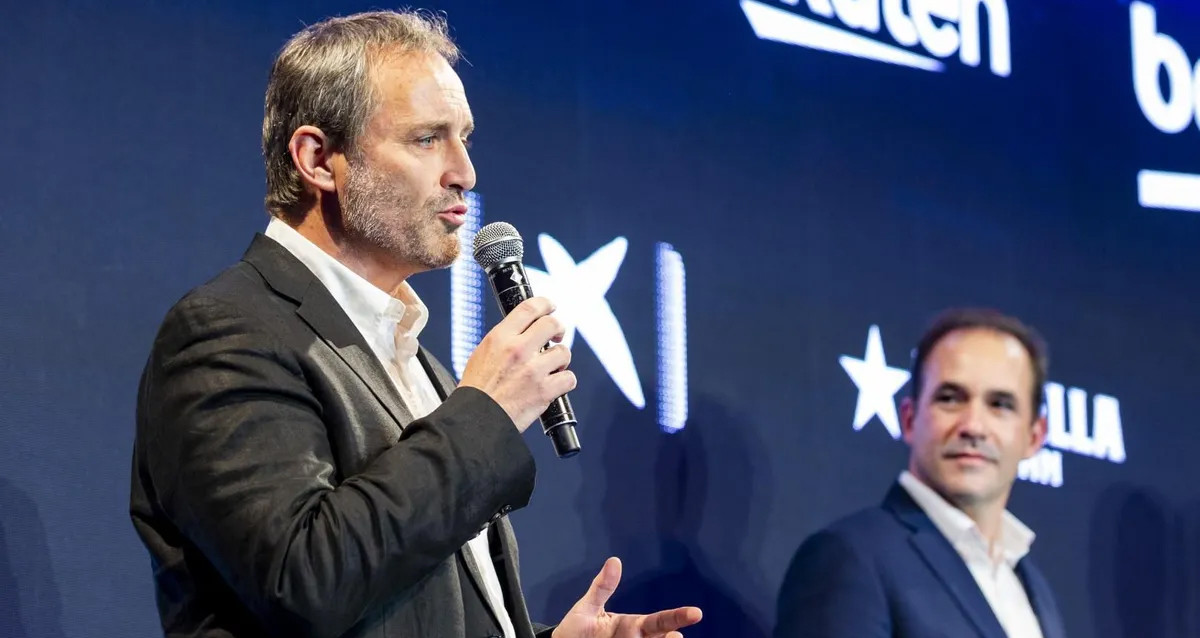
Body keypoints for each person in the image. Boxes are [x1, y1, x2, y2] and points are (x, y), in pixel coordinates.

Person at [129, 10, 701, 638]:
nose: (465, 172)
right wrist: (483, 413)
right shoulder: (227, 330)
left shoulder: (417, 363)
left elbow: (404, 605)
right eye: (427, 138)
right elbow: (304, 581)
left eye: (465, 138)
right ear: (319, 160)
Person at [774, 309, 1066, 638]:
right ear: (909, 419)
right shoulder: (851, 557)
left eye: (1000, 404)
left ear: (1034, 436)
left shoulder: (1032, 586)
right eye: (950, 398)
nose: (973, 426)